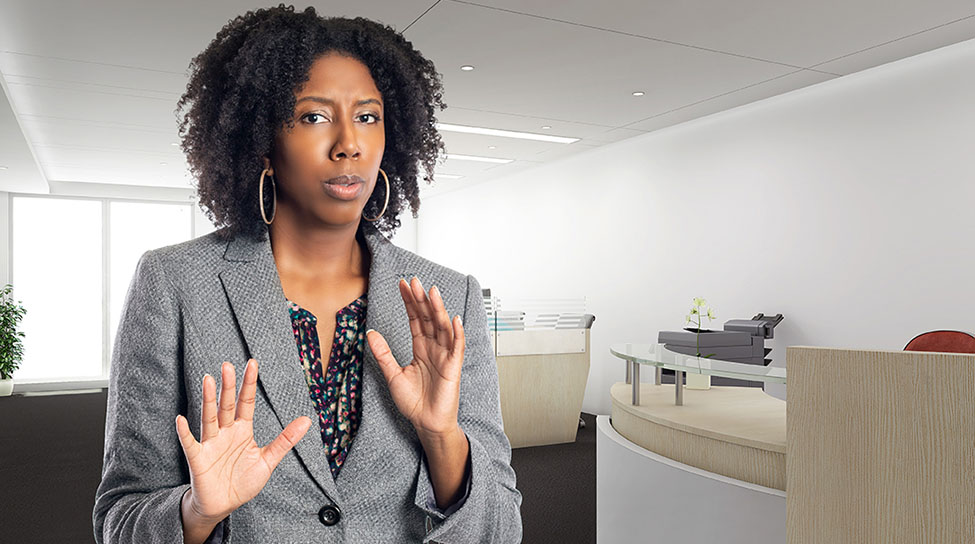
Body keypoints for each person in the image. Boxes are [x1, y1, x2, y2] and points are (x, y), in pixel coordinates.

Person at [92, 5, 523, 543]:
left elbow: (501, 530)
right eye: (314, 117)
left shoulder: (447, 298)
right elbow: (119, 519)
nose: (349, 144)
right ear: (262, 141)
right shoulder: (174, 282)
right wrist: (195, 512)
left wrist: (442, 438)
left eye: (368, 116)